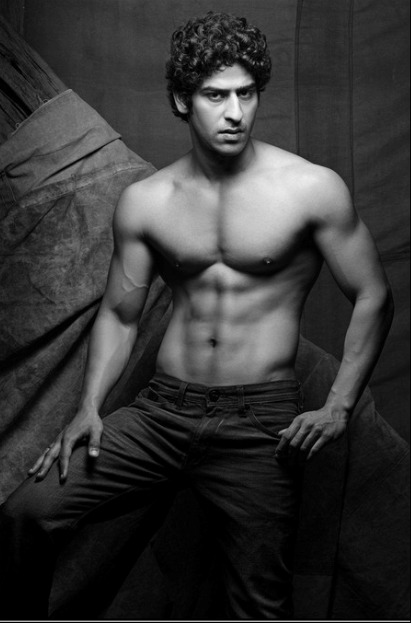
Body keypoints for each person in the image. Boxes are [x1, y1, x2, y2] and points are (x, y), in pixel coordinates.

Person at [0, 11, 394, 620]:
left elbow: (373, 294)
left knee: (259, 606)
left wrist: (339, 405)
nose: (235, 112)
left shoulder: (311, 189)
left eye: (247, 93)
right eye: (216, 96)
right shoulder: (147, 201)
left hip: (259, 422)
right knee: (26, 513)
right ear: (183, 101)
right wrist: (89, 406)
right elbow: (121, 314)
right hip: (162, 412)